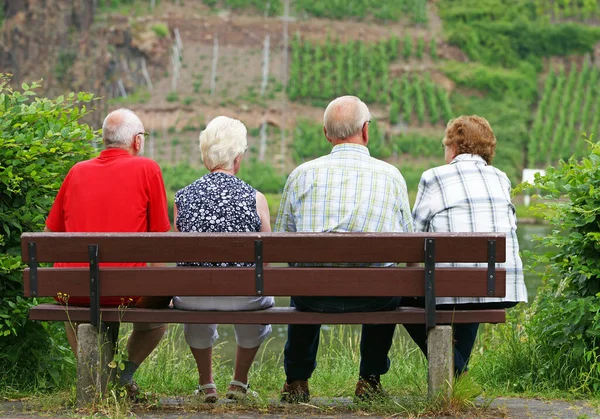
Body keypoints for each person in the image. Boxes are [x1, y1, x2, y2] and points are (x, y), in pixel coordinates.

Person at [275, 96, 414, 402]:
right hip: (376, 297)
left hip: (312, 296)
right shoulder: (391, 176)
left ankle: (297, 380)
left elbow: (282, 240)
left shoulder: (302, 175)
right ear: (366, 130)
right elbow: (409, 243)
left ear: (327, 133)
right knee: (384, 279)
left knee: (304, 277)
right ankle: (370, 379)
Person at [45, 108, 171, 398]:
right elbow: (160, 239)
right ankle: (123, 377)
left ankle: (95, 377)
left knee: (76, 308)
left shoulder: (76, 170)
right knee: (157, 323)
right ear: (137, 141)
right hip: (127, 292)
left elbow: (53, 231)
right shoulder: (148, 169)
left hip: (74, 291)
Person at [405, 115, 528, 376]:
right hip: (501, 289)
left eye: (445, 146)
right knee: (473, 285)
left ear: (454, 146)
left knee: (398, 295)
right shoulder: (501, 178)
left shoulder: (434, 177)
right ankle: (456, 374)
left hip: (453, 290)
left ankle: (455, 370)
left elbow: (412, 238)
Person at [172, 116, 274, 403]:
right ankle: (239, 383)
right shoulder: (255, 198)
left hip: (194, 299)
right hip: (245, 298)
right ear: (238, 158)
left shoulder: (183, 198)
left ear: (206, 158)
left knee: (197, 289)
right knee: (256, 293)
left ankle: (206, 384)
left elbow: (181, 258)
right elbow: (266, 262)